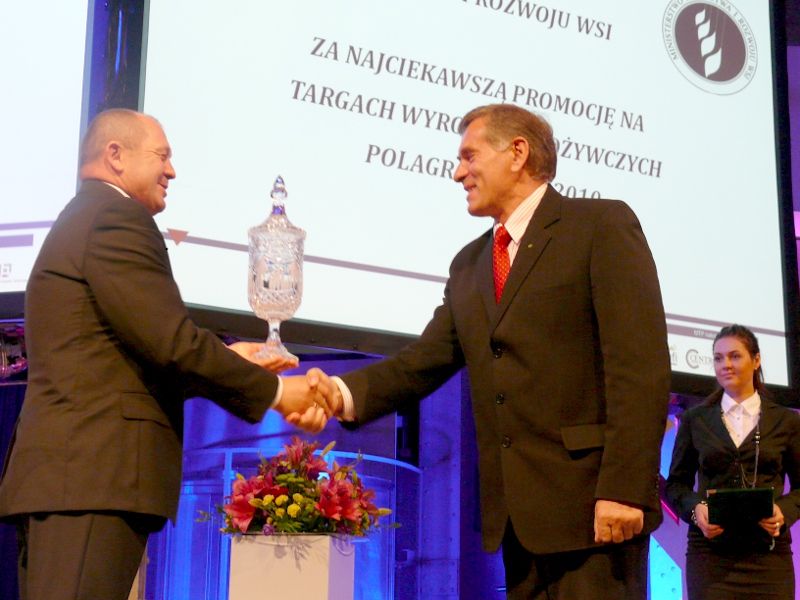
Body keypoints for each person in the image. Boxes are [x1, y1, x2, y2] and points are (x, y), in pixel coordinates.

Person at [293, 103, 671, 599]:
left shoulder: (599, 225)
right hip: (518, 523)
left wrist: (623, 489)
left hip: (594, 512)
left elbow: (639, 367)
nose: (458, 173)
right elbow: (424, 360)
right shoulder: (470, 264)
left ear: (517, 153)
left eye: (469, 156)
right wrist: (339, 393)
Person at [0, 109, 334, 600]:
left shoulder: (88, 216)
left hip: (76, 479)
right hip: (91, 479)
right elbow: (172, 345)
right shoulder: (114, 218)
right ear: (116, 155)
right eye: (162, 156)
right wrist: (279, 393)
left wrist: (232, 360)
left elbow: (133, 352)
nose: (171, 171)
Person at [666, 324, 800, 599]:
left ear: (756, 360)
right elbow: (676, 485)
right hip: (710, 559)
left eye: (735, 356)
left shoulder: (786, 420)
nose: (725, 364)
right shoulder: (695, 420)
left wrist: (784, 511)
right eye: (718, 358)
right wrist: (696, 511)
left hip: (769, 558)